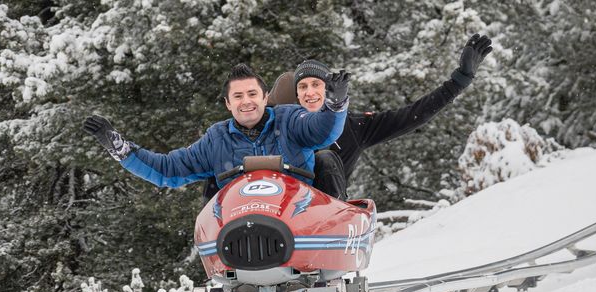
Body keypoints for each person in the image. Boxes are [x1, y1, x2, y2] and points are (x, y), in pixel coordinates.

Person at [202, 34, 495, 201]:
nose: (310, 93)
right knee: (220, 167)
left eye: (317, 85)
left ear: (330, 89)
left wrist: (460, 80)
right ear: (295, 95)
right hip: (273, 204)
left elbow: (412, 116)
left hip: (321, 212)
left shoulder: (354, 127)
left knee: (325, 159)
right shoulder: (276, 124)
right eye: (302, 87)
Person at [83, 63, 351, 193]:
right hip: (243, 223)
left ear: (264, 97)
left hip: (299, 216)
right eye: (238, 96)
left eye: (252, 94)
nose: (246, 101)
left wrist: (335, 104)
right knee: (212, 185)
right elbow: (168, 170)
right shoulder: (217, 139)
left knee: (325, 159)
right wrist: (122, 150)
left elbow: (322, 130)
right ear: (228, 103)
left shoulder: (289, 120)